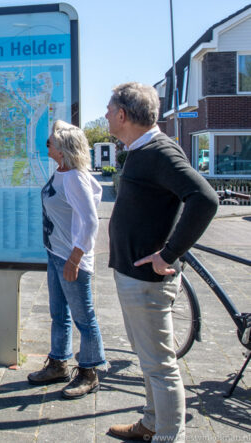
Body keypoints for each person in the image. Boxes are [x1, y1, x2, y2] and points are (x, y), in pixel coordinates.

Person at [105, 82, 217, 442]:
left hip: (147, 283)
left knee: (160, 366)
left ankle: (169, 435)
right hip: (133, 276)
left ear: (122, 115)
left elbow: (204, 198)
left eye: (109, 110)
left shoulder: (159, 151)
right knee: (149, 359)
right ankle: (152, 423)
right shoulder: (141, 150)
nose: (105, 115)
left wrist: (169, 253)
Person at [28, 120, 106, 399]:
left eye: (52, 140)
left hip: (71, 260)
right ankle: (59, 363)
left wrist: (75, 258)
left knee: (84, 318)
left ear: (62, 148)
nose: (47, 143)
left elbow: (90, 221)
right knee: (59, 314)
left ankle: (89, 373)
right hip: (55, 253)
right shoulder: (61, 171)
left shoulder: (74, 176)